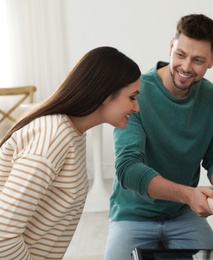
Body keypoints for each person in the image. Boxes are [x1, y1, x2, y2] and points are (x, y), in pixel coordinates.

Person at [105, 14, 213, 260]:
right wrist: (188, 195)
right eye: (181, 55)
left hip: (181, 213)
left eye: (197, 60)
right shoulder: (137, 92)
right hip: (132, 214)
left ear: (212, 60)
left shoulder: (211, 97)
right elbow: (128, 169)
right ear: (171, 45)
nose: (185, 67)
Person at [0, 46, 141, 259]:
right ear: (106, 94)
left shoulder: (73, 133)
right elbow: (3, 235)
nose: (136, 107)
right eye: (132, 97)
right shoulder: (53, 137)